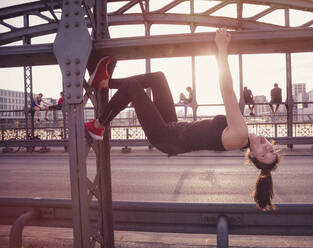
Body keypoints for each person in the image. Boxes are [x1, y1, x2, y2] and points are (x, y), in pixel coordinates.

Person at [84, 28, 280, 211]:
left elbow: (227, 90)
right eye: (270, 150)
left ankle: (99, 123)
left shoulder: (240, 135)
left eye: (263, 155)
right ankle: (101, 82)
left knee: (133, 86)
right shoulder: (244, 135)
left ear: (253, 156)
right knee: (158, 79)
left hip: (165, 136)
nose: (266, 148)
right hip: (174, 127)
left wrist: (221, 48)